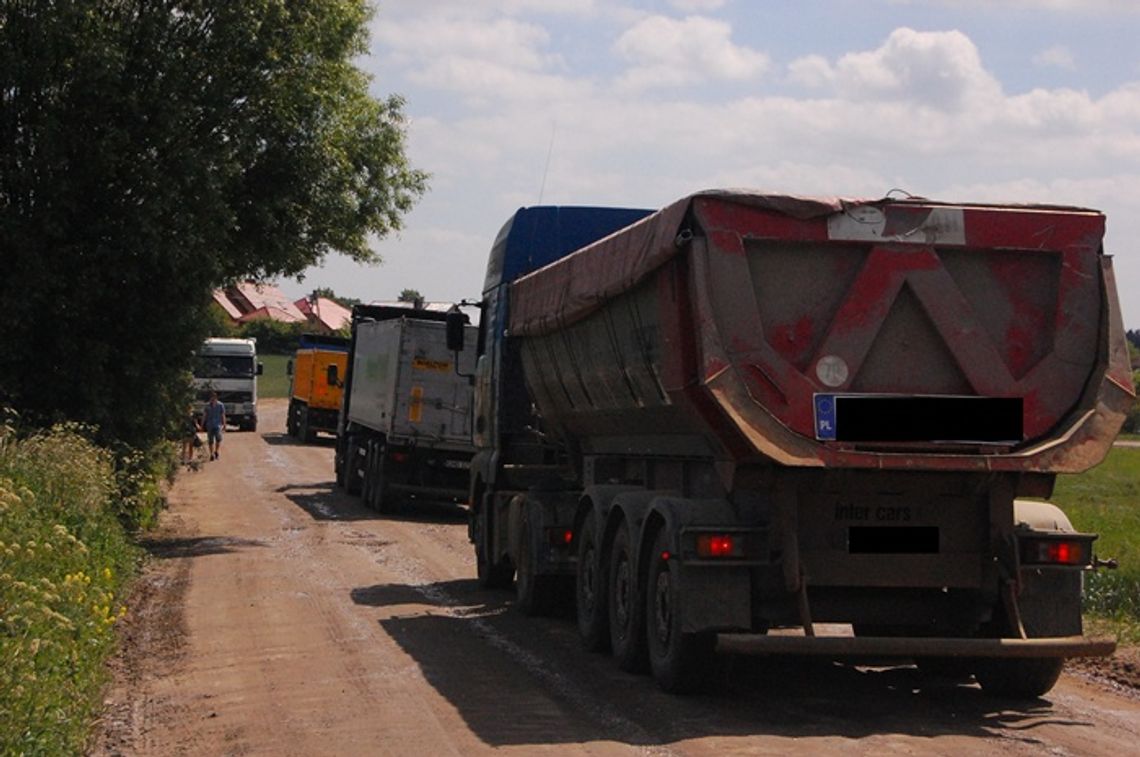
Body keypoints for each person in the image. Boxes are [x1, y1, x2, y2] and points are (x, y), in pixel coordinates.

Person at [203, 392, 226, 461]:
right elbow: (204, 415)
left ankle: (216, 451)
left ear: (216, 398)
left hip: (217, 425)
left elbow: (223, 415)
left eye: (214, 398)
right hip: (209, 425)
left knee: (218, 439)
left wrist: (224, 424)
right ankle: (211, 454)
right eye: (211, 398)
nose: (212, 399)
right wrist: (202, 424)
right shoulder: (207, 406)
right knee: (210, 440)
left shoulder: (220, 405)